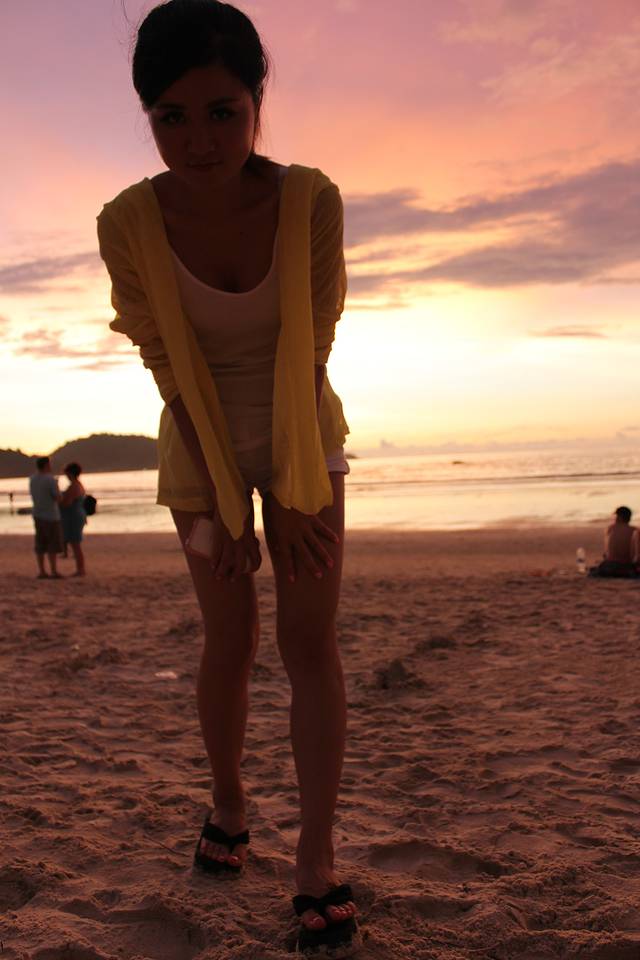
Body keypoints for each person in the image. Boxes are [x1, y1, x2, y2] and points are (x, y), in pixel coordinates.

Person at [96, 2, 359, 955]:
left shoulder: (310, 199)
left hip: (301, 438)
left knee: (309, 643)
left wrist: (289, 493)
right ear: (148, 116)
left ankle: (315, 857)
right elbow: (163, 360)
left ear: (256, 102)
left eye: (221, 112)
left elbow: (314, 345)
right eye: (170, 117)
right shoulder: (126, 222)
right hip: (197, 449)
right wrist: (222, 495)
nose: (198, 140)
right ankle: (231, 803)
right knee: (230, 639)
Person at [28, 456, 63, 579]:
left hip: (37, 514)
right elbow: (57, 498)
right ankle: (53, 570)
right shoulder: (50, 479)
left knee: (40, 543)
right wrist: (57, 486)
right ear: (46, 465)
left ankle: (42, 571)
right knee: (52, 543)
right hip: (50, 515)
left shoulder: (32, 479)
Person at [589, 506, 639, 578]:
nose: (615, 518)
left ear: (620, 517)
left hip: (609, 565)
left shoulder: (610, 528)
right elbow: (636, 555)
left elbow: (607, 552)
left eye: (616, 516)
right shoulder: (635, 530)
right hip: (626, 565)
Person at [60, 462, 87, 576]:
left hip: (73, 516)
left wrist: (58, 500)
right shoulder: (78, 485)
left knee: (75, 544)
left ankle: (80, 569)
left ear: (70, 473)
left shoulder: (74, 486)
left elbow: (67, 503)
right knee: (75, 544)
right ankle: (80, 569)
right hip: (77, 515)